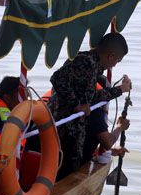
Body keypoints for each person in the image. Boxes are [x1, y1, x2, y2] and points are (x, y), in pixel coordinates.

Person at [48, 32, 132, 179]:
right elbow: (57, 78)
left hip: (75, 131)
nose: (114, 65)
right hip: (64, 128)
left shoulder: (95, 68)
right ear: (110, 56)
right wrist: (76, 105)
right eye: (117, 61)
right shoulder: (86, 61)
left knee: (72, 167)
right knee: (63, 170)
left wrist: (119, 90)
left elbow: (92, 98)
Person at [82, 77, 131, 165]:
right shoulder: (93, 111)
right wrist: (120, 127)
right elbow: (107, 142)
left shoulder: (76, 104)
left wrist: (109, 151)